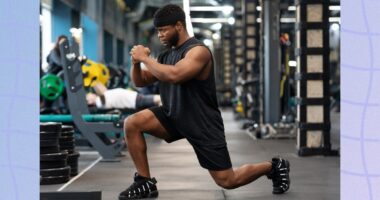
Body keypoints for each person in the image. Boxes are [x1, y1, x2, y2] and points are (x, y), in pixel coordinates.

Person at [119, 4, 290, 200]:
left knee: (228, 180)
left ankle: (274, 166)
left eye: (164, 30)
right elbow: (140, 81)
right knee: (132, 123)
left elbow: (175, 75)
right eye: (158, 31)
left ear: (179, 26)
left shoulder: (198, 51)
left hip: (202, 123)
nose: (160, 35)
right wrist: (136, 63)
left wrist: (146, 59)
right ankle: (144, 181)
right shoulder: (166, 55)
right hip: (173, 116)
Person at [86, 82, 161, 110]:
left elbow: (103, 90)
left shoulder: (102, 96)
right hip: (135, 100)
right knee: (159, 99)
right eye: (88, 96)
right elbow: (103, 98)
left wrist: (96, 81)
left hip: (135, 95)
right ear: (89, 102)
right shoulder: (99, 102)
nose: (90, 94)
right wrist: (95, 85)